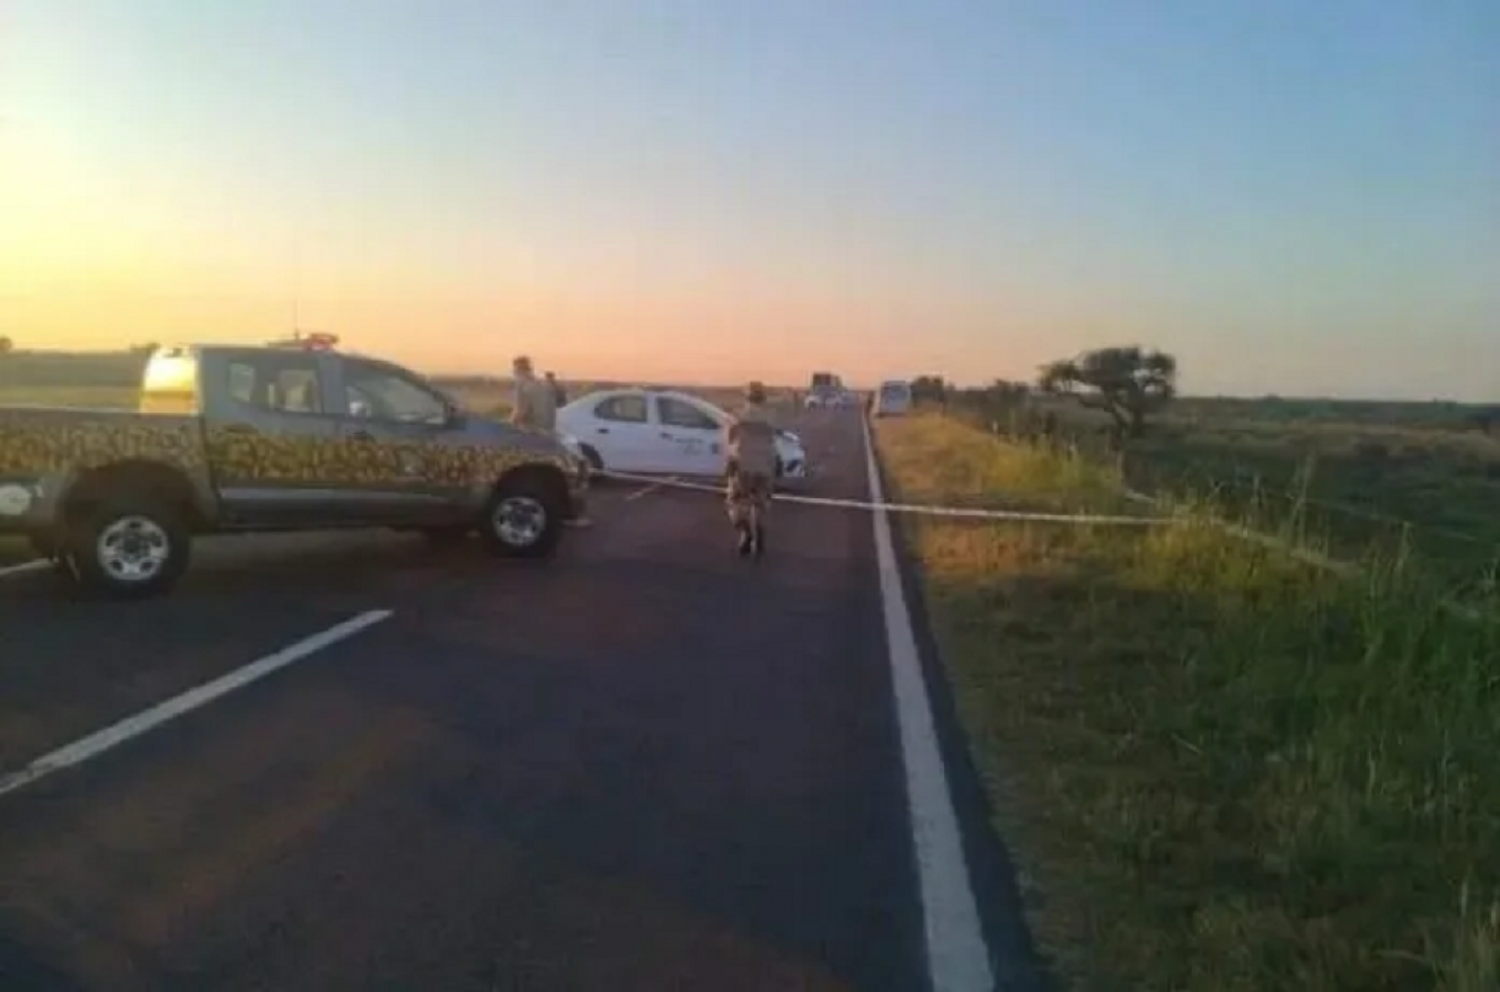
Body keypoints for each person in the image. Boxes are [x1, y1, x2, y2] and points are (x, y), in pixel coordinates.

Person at [723, 381, 778, 557]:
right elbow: (773, 443)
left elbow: (731, 442)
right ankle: (759, 532)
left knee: (736, 502)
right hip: (764, 468)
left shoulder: (738, 416)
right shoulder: (770, 418)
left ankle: (745, 532)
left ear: (746, 396)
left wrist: (730, 463)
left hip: (743, 468)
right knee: (760, 504)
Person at [509, 355, 556, 433]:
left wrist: (508, 426)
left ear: (518, 370)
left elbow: (520, 412)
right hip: (548, 431)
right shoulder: (544, 385)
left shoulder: (522, 385)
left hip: (531, 432)